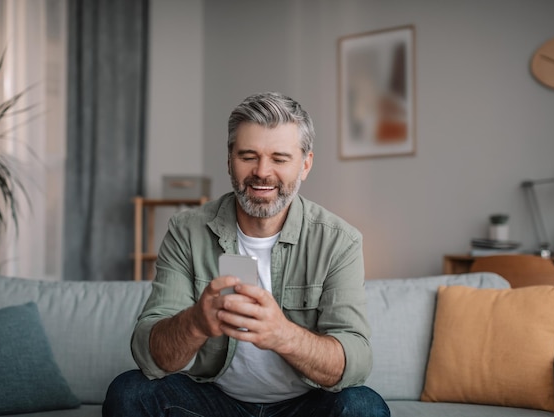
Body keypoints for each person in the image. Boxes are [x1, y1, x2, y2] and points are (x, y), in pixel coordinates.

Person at [103, 92, 389, 417]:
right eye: (248, 156)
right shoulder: (187, 230)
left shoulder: (339, 241)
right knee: (129, 392)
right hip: (214, 401)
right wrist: (196, 321)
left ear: (305, 164)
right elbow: (149, 354)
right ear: (229, 159)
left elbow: (356, 361)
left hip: (304, 407)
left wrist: (282, 334)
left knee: (364, 406)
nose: (262, 172)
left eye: (279, 158)